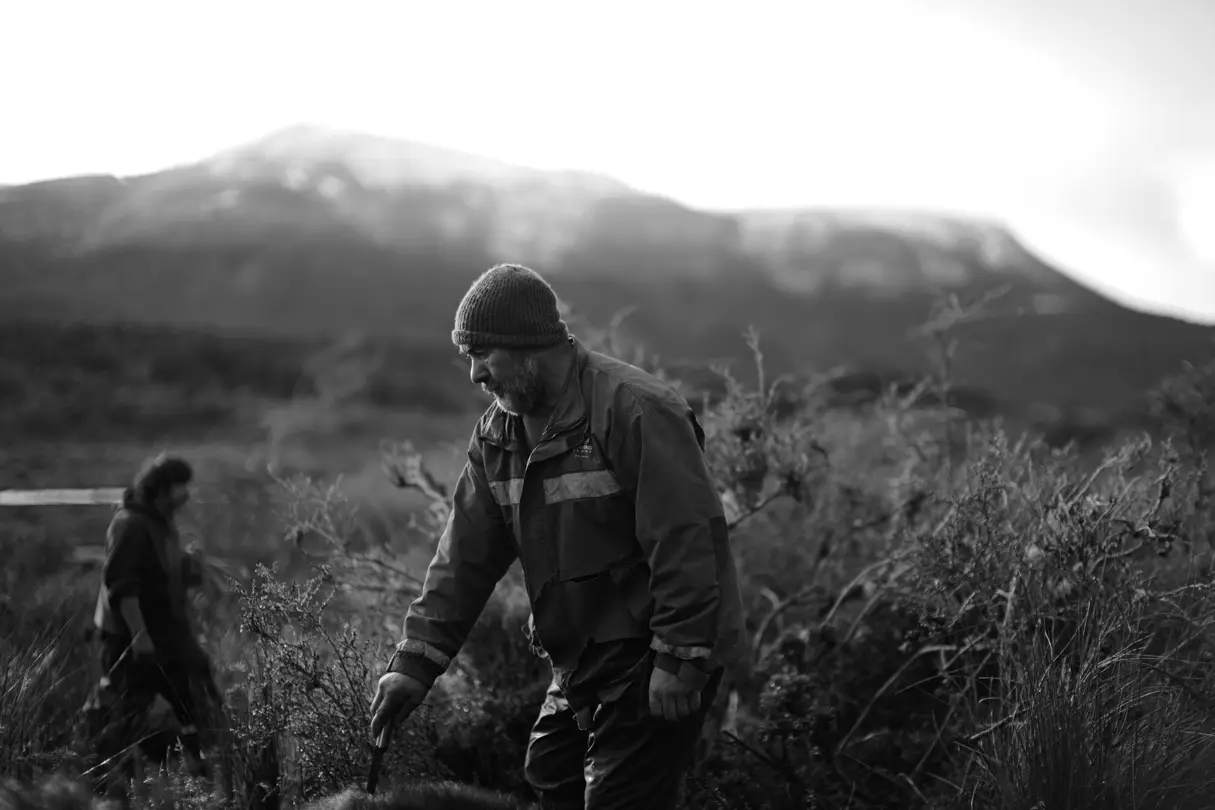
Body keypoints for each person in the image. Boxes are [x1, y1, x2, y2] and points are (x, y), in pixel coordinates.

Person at [370, 264, 748, 810]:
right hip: (581, 657)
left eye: (484, 355)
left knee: (619, 799)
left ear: (529, 347)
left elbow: (688, 539)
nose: (475, 374)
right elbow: (463, 557)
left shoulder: (636, 408)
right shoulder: (497, 434)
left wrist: (680, 661)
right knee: (551, 777)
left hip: (653, 650)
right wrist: (414, 664)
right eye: (468, 358)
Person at [81, 453, 222, 792]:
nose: (185, 495)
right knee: (126, 714)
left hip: (171, 636)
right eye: (180, 488)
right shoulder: (129, 524)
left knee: (198, 695)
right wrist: (140, 636)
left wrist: (193, 567)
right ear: (161, 489)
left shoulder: (161, 522)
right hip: (134, 640)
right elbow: (122, 586)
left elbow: (162, 573)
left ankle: (201, 776)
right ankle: (106, 784)